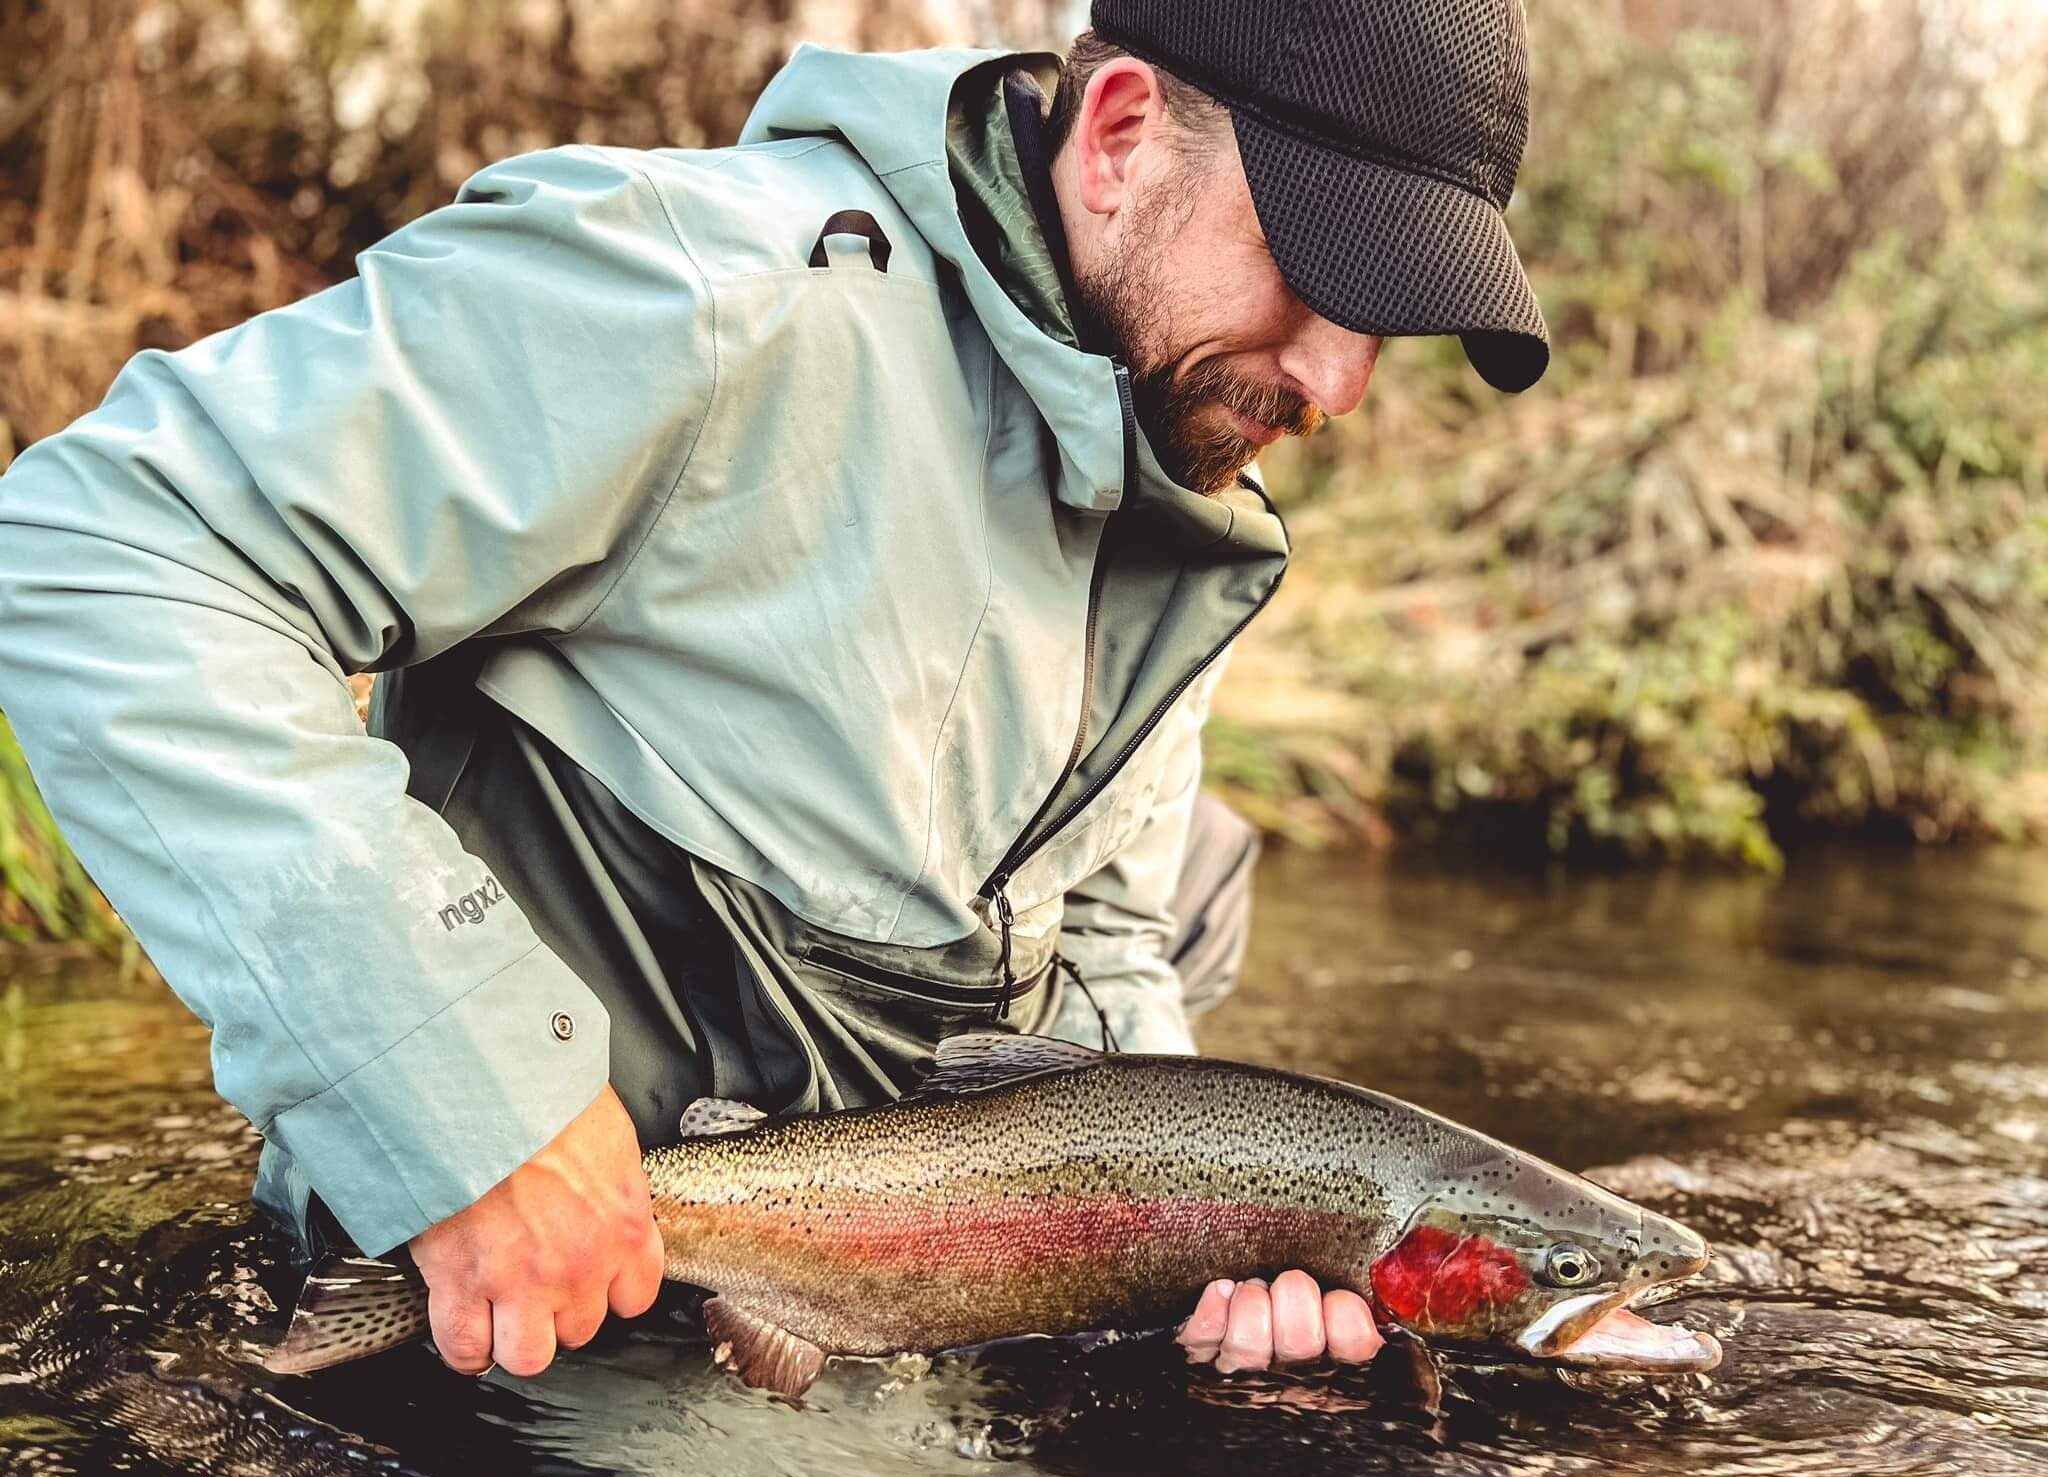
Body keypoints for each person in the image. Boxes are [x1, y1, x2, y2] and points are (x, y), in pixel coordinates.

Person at [0, 0, 1547, 1382]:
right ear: (1123, 134)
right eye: (1317, 272)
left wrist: (1213, 1262)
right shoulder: (702, 294)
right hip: (549, 1322)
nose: (1339, 385)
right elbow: (103, 546)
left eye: (1386, 325)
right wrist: (459, 1106)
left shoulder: (1176, 485)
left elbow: (1120, 941)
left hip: (904, 1329)